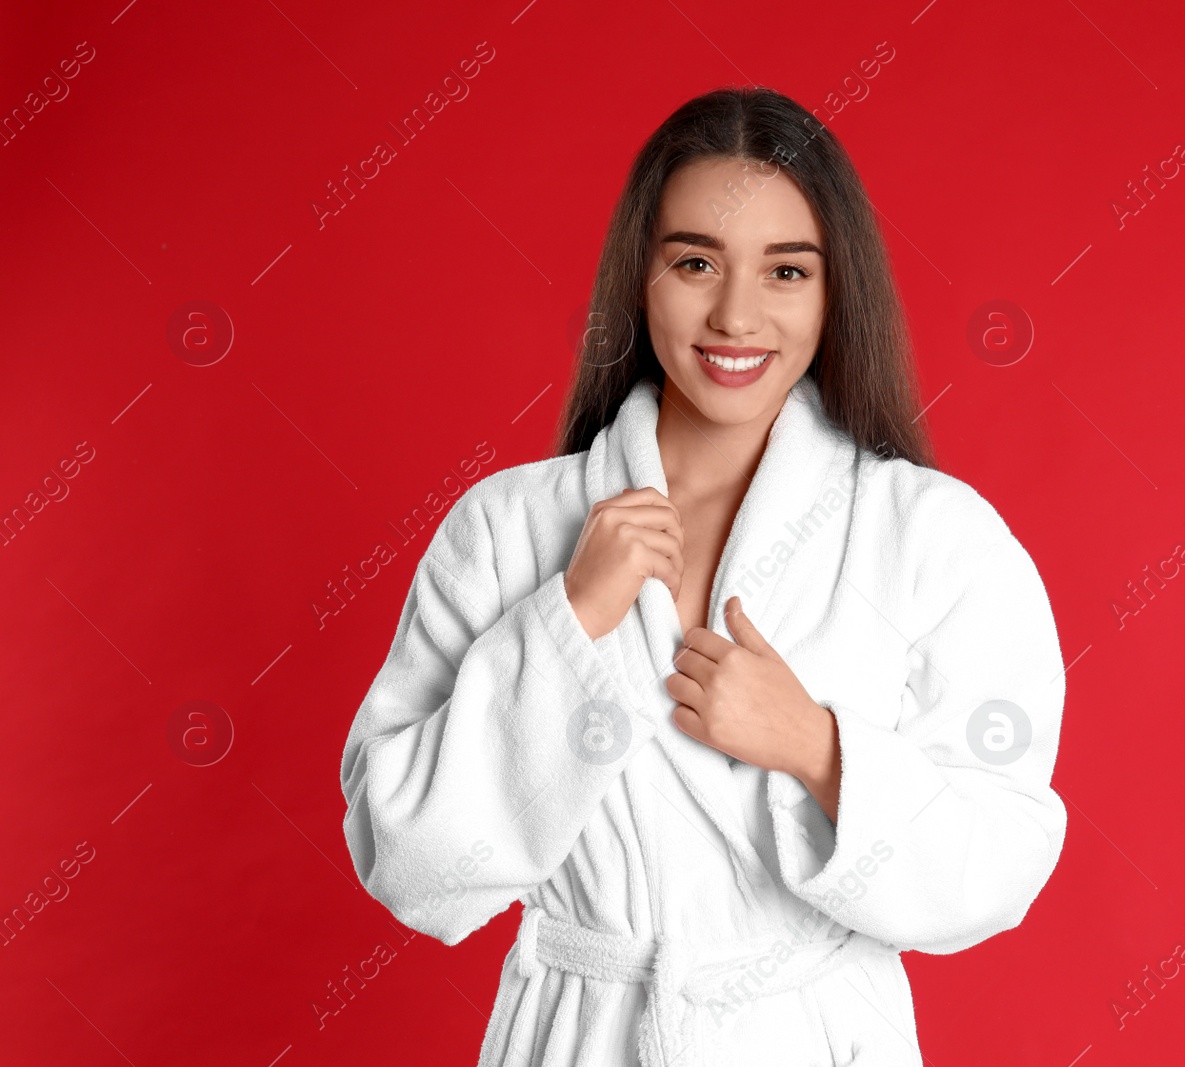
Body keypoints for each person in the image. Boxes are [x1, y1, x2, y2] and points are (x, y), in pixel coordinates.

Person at [339, 85, 1067, 1067]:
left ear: (833, 289)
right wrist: (565, 626)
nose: (735, 314)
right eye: (694, 262)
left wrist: (818, 748)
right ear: (641, 278)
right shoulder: (507, 529)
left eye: (785, 270)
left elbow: (997, 864)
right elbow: (411, 865)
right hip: (575, 1035)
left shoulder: (935, 538)